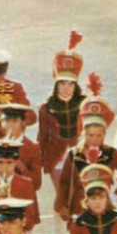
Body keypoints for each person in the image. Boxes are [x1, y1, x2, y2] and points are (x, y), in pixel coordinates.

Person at [55, 88, 117, 224]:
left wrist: (116, 196)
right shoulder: (74, 155)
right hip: (79, 210)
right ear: (84, 134)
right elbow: (64, 183)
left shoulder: (111, 153)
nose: (94, 140)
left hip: (105, 210)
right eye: (90, 135)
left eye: (99, 135)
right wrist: (61, 205)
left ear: (104, 135)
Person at [38, 34, 86, 185]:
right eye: (62, 84)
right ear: (56, 85)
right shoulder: (46, 108)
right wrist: (41, 160)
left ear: (75, 86)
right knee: (62, 198)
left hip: (81, 156)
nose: (66, 88)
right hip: (56, 158)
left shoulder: (85, 104)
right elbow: (42, 136)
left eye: (70, 84)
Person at [0, 101, 43, 192]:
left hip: (24, 195)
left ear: (23, 123)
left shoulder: (33, 147)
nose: (10, 125)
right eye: (7, 121)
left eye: (15, 121)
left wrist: (20, 166)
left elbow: (37, 184)